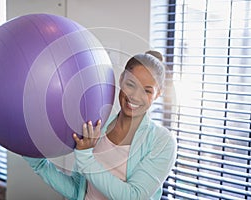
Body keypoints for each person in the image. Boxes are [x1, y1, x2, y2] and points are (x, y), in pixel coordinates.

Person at [23, 50, 177, 200]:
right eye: (131, 84)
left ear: (158, 93)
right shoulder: (98, 124)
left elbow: (133, 195)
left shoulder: (162, 142)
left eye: (147, 91)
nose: (136, 96)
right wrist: (38, 163)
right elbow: (77, 191)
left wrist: (85, 156)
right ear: (122, 79)